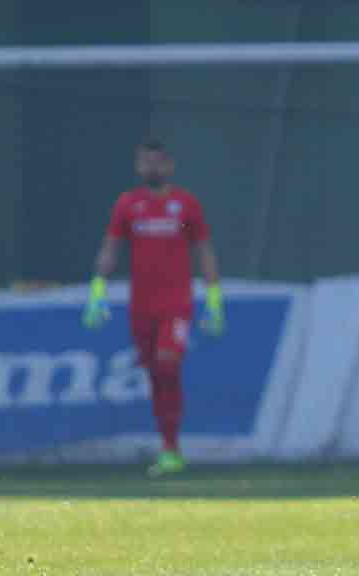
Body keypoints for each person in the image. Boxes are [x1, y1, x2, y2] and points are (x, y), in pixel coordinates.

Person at [82, 138, 225, 477]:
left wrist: (214, 300)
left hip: (176, 303)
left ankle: (172, 448)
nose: (151, 169)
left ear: (169, 165)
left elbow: (204, 250)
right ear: (138, 166)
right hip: (141, 306)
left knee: (167, 362)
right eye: (145, 162)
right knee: (155, 374)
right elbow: (110, 248)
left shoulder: (186, 205)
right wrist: (96, 292)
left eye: (157, 162)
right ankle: (168, 445)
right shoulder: (128, 205)